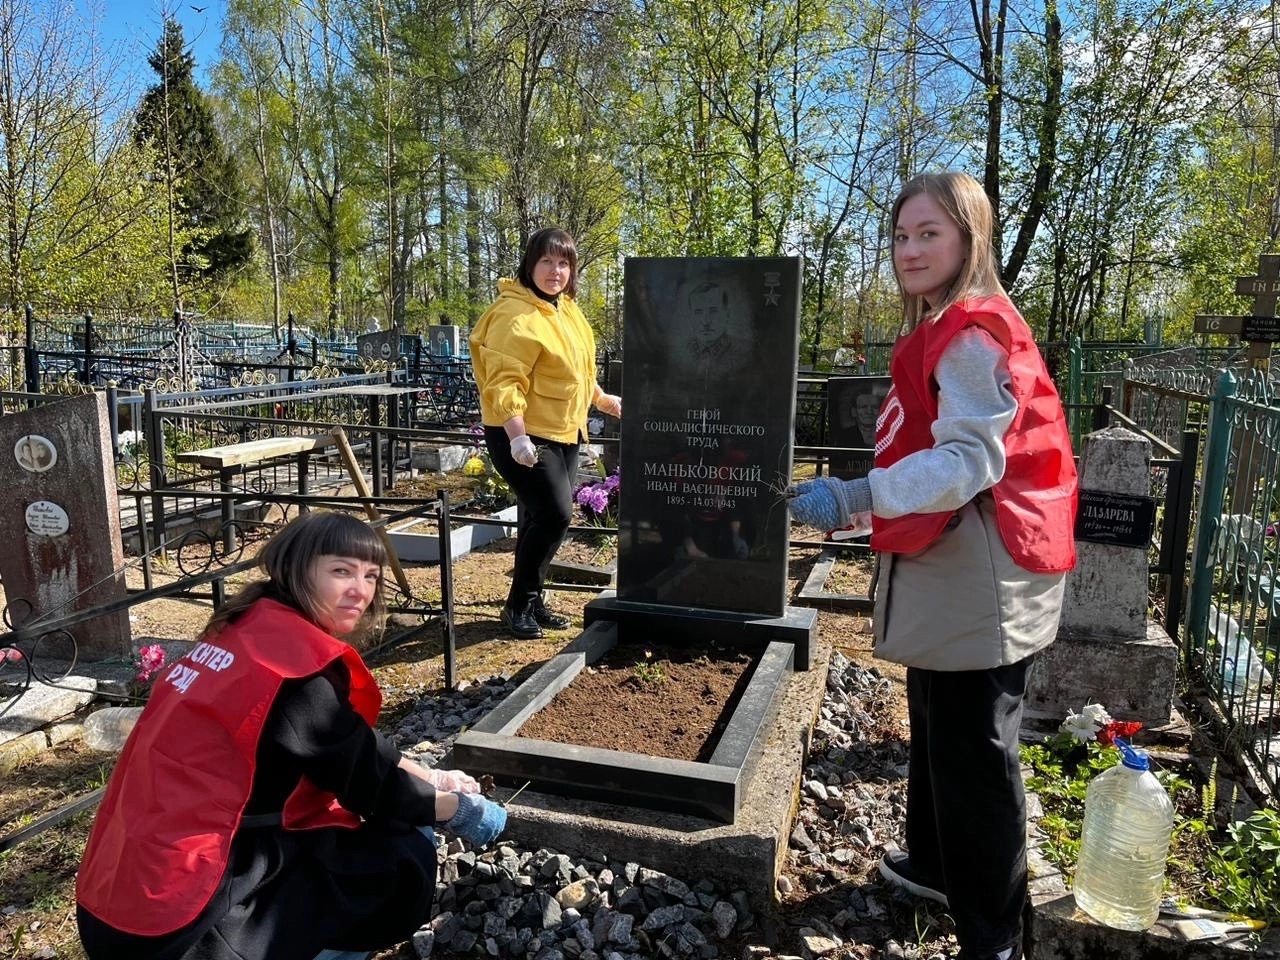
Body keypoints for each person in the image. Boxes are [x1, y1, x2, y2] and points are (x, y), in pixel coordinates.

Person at [788, 172, 1078, 960]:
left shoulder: (974, 335)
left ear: (969, 240)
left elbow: (968, 459)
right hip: (954, 555)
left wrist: (857, 495)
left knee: (974, 750)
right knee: (936, 718)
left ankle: (995, 937)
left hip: (982, 561)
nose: (910, 249)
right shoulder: (947, 326)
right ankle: (938, 866)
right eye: (901, 234)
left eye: (930, 234)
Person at [76, 511, 507, 960]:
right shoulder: (293, 671)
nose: (360, 590)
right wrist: (460, 810)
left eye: (371, 576)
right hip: (191, 920)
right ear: (297, 569)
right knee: (401, 854)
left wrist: (428, 775)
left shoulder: (242, 630)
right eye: (341, 571)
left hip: (121, 890)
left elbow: (349, 744)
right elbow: (371, 784)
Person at [469, 226, 622, 640]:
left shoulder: (565, 310)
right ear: (530, 265)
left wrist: (604, 401)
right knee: (556, 514)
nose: (556, 271)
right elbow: (503, 382)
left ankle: (532, 600)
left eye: (564, 263)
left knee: (547, 518)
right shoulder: (514, 315)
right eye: (547, 262)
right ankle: (518, 605)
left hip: (563, 431)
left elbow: (575, 370)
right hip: (522, 433)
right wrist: (518, 436)